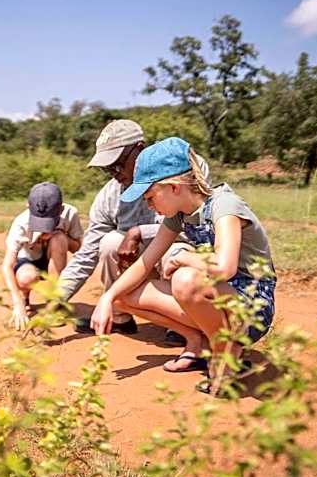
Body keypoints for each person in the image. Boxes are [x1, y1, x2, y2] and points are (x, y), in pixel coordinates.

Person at [90, 137, 275, 392]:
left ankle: (227, 354)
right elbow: (145, 263)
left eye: (150, 196)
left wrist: (184, 258)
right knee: (124, 297)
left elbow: (224, 268)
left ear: (174, 187)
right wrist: (107, 297)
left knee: (185, 279)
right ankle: (198, 341)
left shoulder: (225, 205)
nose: (148, 204)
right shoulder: (179, 216)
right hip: (218, 302)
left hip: (251, 308)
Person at [59, 119, 208, 340]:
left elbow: (198, 226)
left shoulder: (182, 169)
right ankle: (120, 317)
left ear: (139, 148)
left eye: (118, 163)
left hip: (185, 255)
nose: (114, 173)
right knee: (109, 242)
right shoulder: (110, 195)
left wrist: (139, 232)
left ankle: (186, 322)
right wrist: (56, 297)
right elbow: (88, 252)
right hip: (144, 262)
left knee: (174, 253)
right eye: (107, 168)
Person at [2, 182, 84, 330]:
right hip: (29, 261)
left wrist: (60, 235)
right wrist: (17, 303)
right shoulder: (21, 222)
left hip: (54, 260)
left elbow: (78, 247)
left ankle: (54, 302)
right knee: (27, 278)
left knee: (59, 239)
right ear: (28, 207)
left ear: (61, 208)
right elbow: (7, 265)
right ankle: (24, 297)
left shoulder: (70, 213)